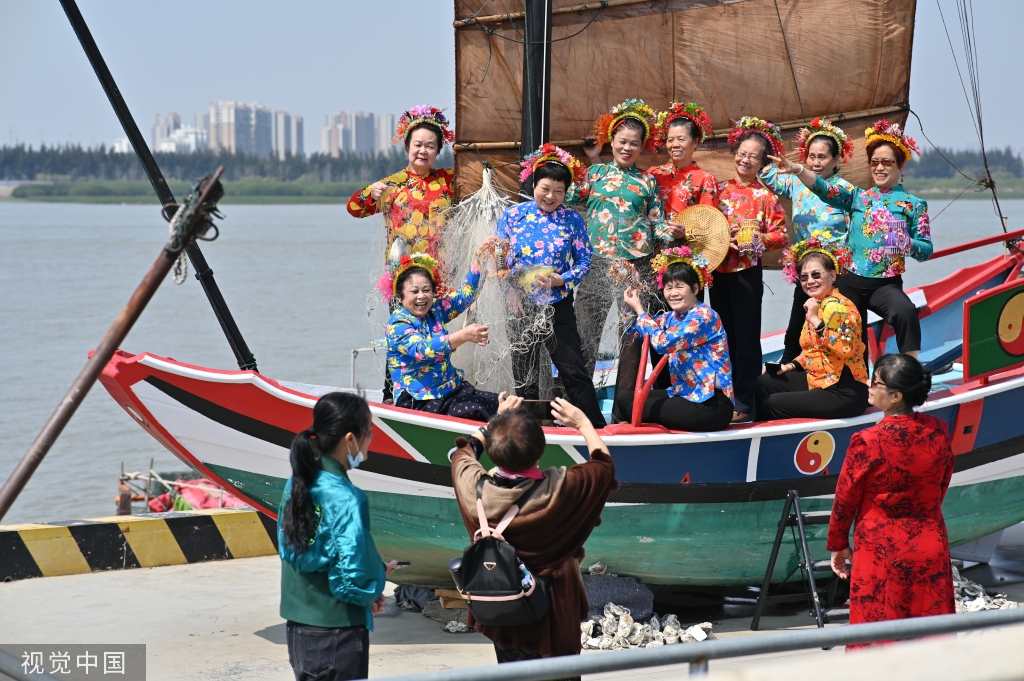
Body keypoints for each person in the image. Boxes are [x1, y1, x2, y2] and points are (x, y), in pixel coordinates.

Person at [450, 394, 618, 670]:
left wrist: (494, 422)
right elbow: (604, 467)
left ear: (492, 450)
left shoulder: (473, 487)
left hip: (501, 606)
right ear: (540, 450)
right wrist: (584, 424)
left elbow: (461, 453)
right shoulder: (560, 490)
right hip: (554, 611)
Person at [768, 119, 933, 358]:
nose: (880, 168)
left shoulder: (914, 205)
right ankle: (854, 382)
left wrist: (906, 243)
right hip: (850, 280)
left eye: (887, 162)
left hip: (885, 284)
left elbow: (926, 250)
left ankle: (910, 375)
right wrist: (798, 170)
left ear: (900, 166)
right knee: (849, 334)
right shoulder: (858, 197)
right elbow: (824, 189)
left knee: (906, 312)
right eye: (874, 162)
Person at [827, 354, 953, 648]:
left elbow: (845, 497)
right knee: (930, 640)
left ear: (896, 396)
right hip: (929, 543)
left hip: (881, 551)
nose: (869, 387)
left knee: (877, 639)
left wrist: (838, 543)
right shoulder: (938, 430)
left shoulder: (867, 441)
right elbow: (941, 482)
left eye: (876, 383)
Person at [277, 391, 398, 681]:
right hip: (337, 634)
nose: (370, 438)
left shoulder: (297, 481)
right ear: (349, 439)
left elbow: (292, 550)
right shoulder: (347, 497)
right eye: (368, 431)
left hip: (298, 629)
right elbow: (354, 579)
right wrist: (377, 578)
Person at [565, 99, 672, 422]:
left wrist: (675, 231)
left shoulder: (647, 181)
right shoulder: (595, 174)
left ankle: (624, 412)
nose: (627, 148)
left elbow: (657, 221)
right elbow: (568, 196)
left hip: (635, 267)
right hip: (596, 262)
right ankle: (576, 408)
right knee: (584, 333)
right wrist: (582, 163)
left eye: (634, 144)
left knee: (631, 339)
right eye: (622, 142)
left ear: (642, 147)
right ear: (612, 141)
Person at [347, 106, 456, 402]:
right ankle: (391, 395)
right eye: (417, 144)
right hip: (402, 276)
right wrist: (370, 195)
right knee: (402, 336)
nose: (423, 151)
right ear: (407, 146)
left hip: (438, 276)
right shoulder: (391, 184)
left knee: (435, 335)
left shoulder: (449, 181)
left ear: (438, 150)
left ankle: (434, 392)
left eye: (430, 146)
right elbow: (354, 209)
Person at [496, 144, 606, 427]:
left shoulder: (572, 219)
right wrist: (511, 291)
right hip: (520, 306)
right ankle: (527, 430)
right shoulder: (512, 216)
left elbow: (584, 261)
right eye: (545, 188)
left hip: (558, 304)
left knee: (573, 368)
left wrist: (563, 279)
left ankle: (594, 426)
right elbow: (499, 261)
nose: (551, 196)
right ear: (534, 184)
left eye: (559, 191)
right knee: (525, 372)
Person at [759, 118, 855, 364]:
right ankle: (787, 371)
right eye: (811, 156)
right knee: (795, 333)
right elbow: (767, 174)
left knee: (834, 328)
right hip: (806, 276)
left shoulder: (847, 192)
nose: (815, 162)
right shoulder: (795, 183)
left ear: (836, 159)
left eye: (822, 157)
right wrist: (762, 136)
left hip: (836, 277)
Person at [714, 117, 789, 422]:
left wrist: (759, 238)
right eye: (741, 153)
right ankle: (722, 398)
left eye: (752, 156)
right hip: (717, 274)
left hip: (746, 274)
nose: (745, 160)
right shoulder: (718, 190)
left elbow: (781, 235)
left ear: (762, 162)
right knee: (721, 338)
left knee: (746, 341)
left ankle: (746, 404)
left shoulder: (766, 196)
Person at [618, 249, 734, 431]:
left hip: (711, 403)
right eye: (668, 287)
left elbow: (663, 343)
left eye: (679, 286)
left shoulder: (703, 316)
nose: (673, 293)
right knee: (624, 401)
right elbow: (635, 330)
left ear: (695, 289)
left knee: (634, 408)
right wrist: (635, 291)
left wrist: (641, 311)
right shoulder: (673, 317)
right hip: (684, 394)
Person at [384, 241, 500, 422]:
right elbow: (422, 349)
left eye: (426, 290)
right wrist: (463, 336)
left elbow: (464, 296)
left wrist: (480, 259)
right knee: (479, 411)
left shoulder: (435, 310)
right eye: (414, 291)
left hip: (451, 389)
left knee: (500, 403)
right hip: (419, 400)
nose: (421, 296)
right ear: (400, 297)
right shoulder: (398, 323)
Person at [753, 241, 869, 421]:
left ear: (832, 275)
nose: (810, 281)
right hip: (821, 379)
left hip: (844, 389)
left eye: (816, 275)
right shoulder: (817, 304)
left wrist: (815, 320)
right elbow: (813, 350)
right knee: (765, 382)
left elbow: (843, 348)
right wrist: (790, 366)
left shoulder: (839, 307)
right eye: (804, 277)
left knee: (772, 403)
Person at [648, 101, 719, 236]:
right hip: (652, 250)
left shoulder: (706, 180)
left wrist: (686, 232)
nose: (674, 145)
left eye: (681, 139)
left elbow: (709, 225)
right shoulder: (654, 173)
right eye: (670, 140)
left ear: (695, 142)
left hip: (685, 252)